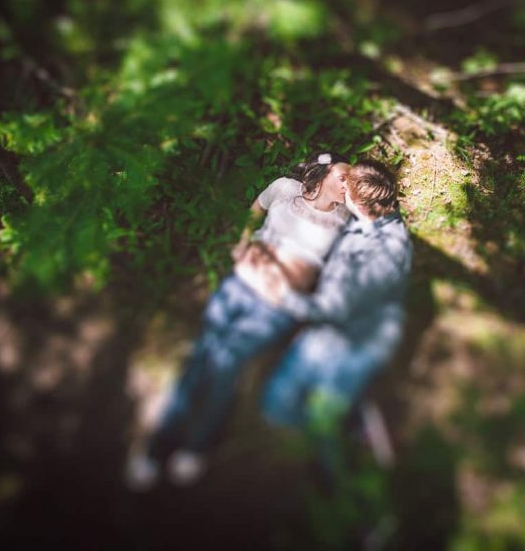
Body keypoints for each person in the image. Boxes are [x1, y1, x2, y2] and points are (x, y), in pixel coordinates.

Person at [125, 152, 351, 491]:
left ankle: (197, 446)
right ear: (325, 170)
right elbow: (255, 210)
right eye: (344, 176)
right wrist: (242, 243)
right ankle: (157, 448)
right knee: (200, 358)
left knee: (226, 365)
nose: (348, 185)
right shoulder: (285, 188)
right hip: (239, 286)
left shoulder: (347, 220)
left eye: (353, 183)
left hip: (276, 307)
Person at [259, 159, 412, 482]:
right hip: (328, 329)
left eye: (347, 186)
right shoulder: (366, 219)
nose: (341, 186)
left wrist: (282, 296)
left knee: (321, 420)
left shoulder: (387, 252)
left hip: (359, 343)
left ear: (359, 202)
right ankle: (353, 419)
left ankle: (349, 492)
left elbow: (335, 307)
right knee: (276, 403)